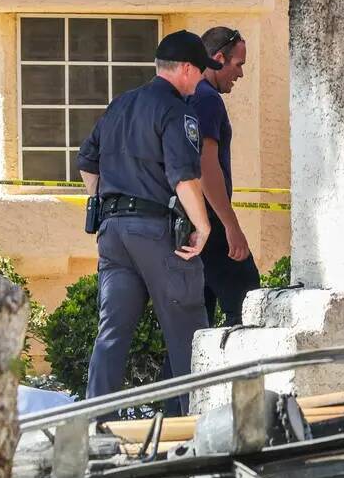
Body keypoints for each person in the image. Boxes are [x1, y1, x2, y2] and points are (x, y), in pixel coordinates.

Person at [77, 30, 220, 413]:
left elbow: (86, 162)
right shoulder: (176, 110)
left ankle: (95, 422)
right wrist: (203, 227)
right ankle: (192, 422)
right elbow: (183, 176)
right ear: (186, 69)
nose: (201, 80)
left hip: (112, 234)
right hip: (156, 233)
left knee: (112, 333)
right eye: (201, 72)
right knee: (188, 329)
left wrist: (101, 199)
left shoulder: (120, 104)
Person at [190, 26, 261, 327]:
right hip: (208, 221)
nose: (241, 74)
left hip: (187, 224)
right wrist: (231, 226)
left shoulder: (187, 95)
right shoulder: (206, 99)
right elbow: (206, 165)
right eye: (238, 65)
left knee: (195, 325)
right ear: (219, 58)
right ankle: (246, 375)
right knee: (249, 303)